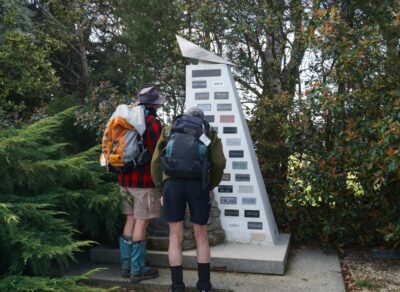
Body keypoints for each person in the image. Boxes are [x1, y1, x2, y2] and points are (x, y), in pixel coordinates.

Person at [151, 106, 226, 292]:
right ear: (201, 118)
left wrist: (161, 189)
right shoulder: (209, 131)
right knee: (201, 236)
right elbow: (219, 163)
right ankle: (204, 286)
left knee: (174, 236)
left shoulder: (170, 130)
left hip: (172, 185)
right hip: (197, 185)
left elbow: (155, 162)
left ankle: (177, 287)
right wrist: (210, 185)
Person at [118, 85, 165, 283]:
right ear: (154, 104)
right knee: (141, 221)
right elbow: (157, 151)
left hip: (124, 179)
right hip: (144, 182)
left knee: (130, 219)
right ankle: (137, 270)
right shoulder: (152, 122)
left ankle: (126, 265)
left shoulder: (127, 119)